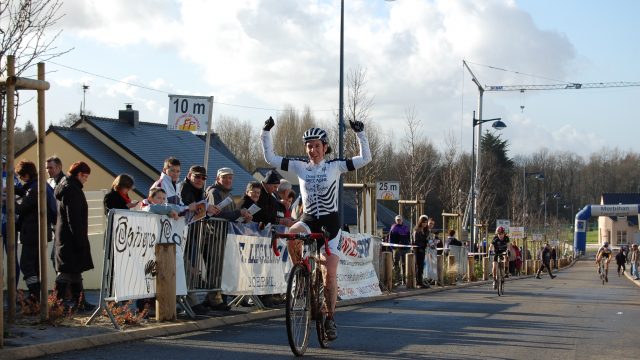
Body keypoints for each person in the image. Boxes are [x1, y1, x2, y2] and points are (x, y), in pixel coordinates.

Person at [261, 115, 371, 341]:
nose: (313, 150)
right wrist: (266, 132)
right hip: (309, 219)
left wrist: (361, 134)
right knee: (291, 233)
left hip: (331, 225)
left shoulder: (335, 166)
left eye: (317, 146)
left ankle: (330, 317)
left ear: (325, 147)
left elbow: (365, 158)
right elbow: (270, 157)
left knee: (329, 275)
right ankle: (300, 273)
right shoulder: (299, 166)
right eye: (309, 146)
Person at [54, 161, 95, 312]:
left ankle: (80, 301)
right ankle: (58, 302)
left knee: (74, 269)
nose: (86, 179)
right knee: (66, 271)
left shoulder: (65, 186)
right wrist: (80, 240)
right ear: (79, 174)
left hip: (65, 235)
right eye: (85, 176)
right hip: (71, 237)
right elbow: (75, 218)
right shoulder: (72, 189)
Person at [15, 160, 55, 303]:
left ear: (26, 175)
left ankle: (35, 293)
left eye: (21, 176)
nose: (21, 179)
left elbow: (21, 208)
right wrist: (14, 189)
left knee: (26, 265)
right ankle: (38, 296)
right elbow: (26, 191)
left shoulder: (35, 189)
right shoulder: (40, 185)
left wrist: (7, 199)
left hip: (33, 234)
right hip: (40, 233)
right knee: (36, 266)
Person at [389, 215, 411, 285]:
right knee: (396, 264)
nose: (399, 221)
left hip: (405, 248)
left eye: (400, 219)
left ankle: (405, 279)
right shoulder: (393, 227)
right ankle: (397, 280)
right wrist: (393, 248)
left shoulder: (406, 228)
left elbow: (408, 237)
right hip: (397, 249)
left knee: (405, 264)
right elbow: (390, 238)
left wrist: (408, 245)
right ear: (395, 220)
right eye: (397, 220)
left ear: (402, 220)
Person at [413, 215, 430, 288]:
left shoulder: (425, 231)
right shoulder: (417, 230)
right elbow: (416, 241)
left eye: (426, 222)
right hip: (418, 250)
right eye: (423, 222)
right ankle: (418, 283)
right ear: (420, 222)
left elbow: (425, 240)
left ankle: (421, 281)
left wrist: (428, 242)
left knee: (421, 267)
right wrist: (424, 243)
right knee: (419, 266)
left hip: (423, 250)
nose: (425, 224)